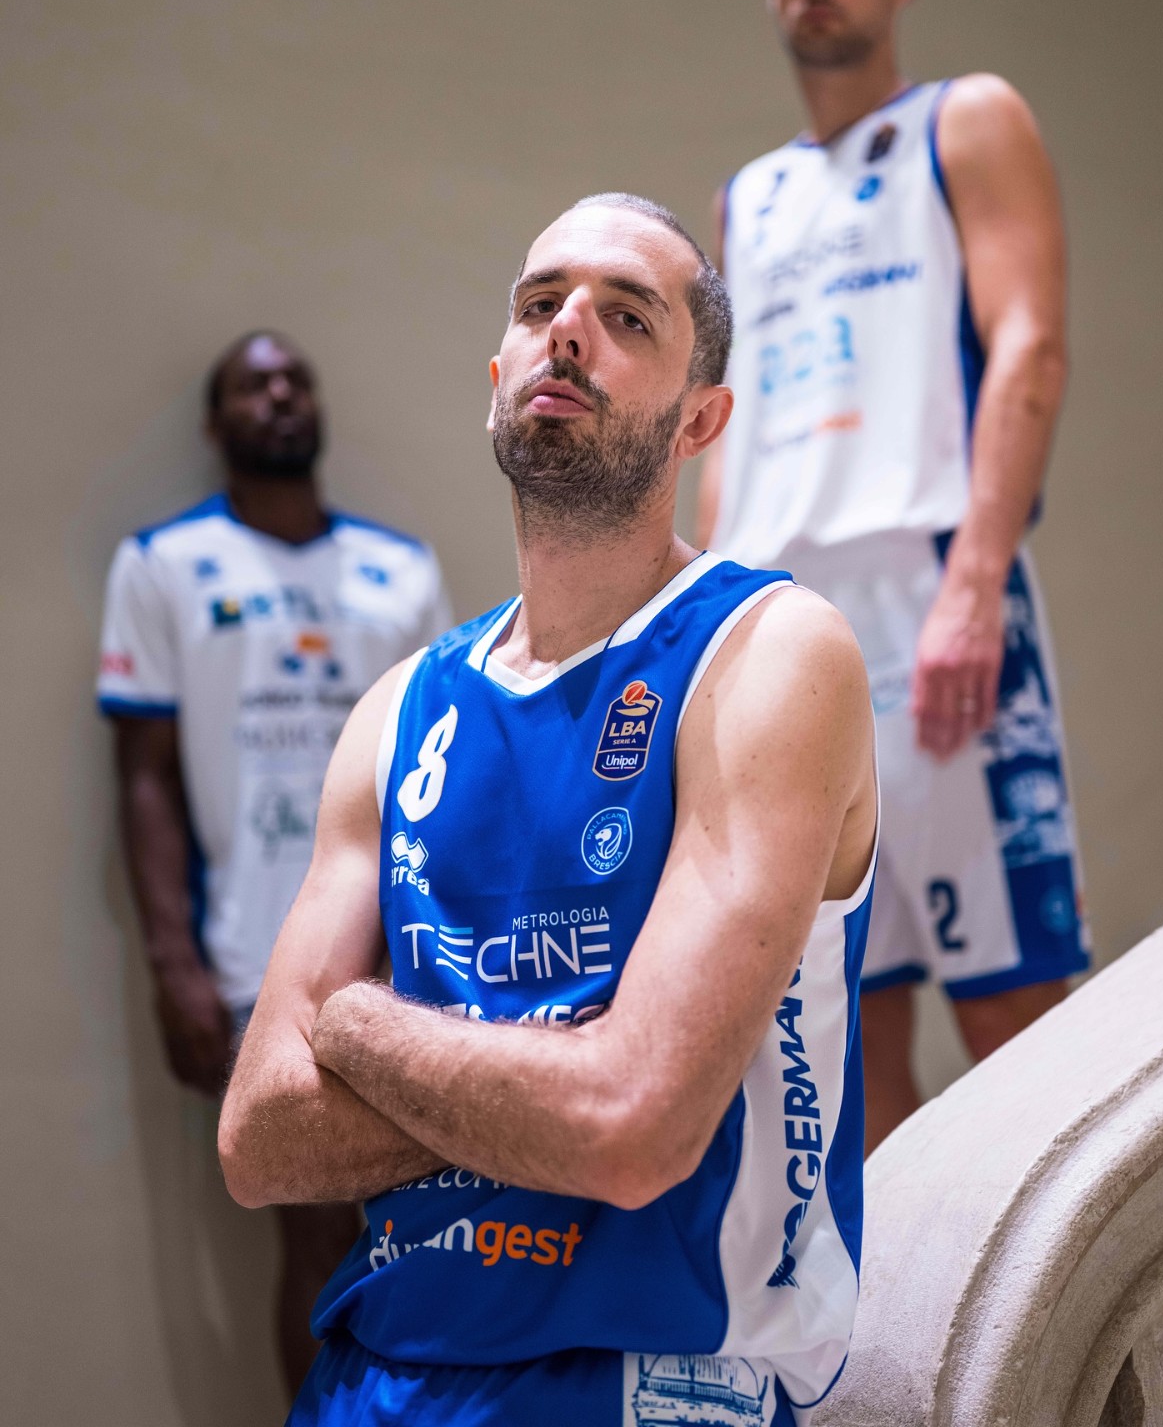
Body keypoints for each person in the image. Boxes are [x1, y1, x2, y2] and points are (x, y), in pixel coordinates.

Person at [219, 196, 878, 1426]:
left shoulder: (771, 651)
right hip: (366, 1377)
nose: (569, 328)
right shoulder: (397, 710)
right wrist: (557, 1063)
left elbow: (630, 1126)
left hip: (644, 1378)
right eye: (540, 304)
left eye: (628, 316)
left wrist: (357, 1024)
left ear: (701, 420)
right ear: (498, 381)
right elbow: (260, 1138)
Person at [698, 0, 1089, 1151]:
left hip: (930, 590)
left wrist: (975, 583)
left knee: (1018, 1026)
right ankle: (922, 1300)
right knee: (841, 1043)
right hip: (786, 631)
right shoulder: (749, 200)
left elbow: (1028, 345)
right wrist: (706, 631)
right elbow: (730, 428)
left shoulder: (963, 121)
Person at [97, 330, 452, 1395]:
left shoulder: (401, 569)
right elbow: (145, 777)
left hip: (405, 952)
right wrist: (173, 966)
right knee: (317, 1229)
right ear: (217, 424)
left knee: (428, 1228)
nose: (282, 396)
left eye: (297, 380)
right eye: (255, 386)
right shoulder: (163, 563)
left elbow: (446, 761)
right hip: (255, 955)